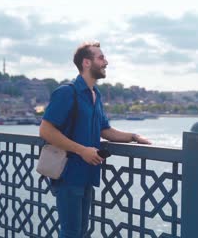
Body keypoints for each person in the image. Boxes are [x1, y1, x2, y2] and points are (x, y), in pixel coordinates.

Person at [39, 41, 151, 238]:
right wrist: (82, 150)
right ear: (86, 63)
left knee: (80, 232)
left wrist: (134, 137)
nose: (106, 62)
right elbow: (46, 131)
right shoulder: (67, 92)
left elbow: (105, 130)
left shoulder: (95, 95)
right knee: (71, 233)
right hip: (68, 174)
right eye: (101, 57)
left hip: (88, 174)